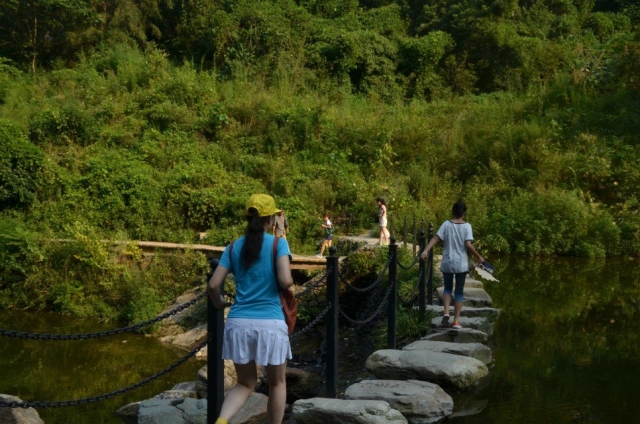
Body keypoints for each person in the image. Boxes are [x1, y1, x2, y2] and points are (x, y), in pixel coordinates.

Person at [208, 194, 294, 424]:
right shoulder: (278, 243)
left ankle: (221, 421)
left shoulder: (234, 246)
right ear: (271, 219)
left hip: (239, 323)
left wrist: (218, 303)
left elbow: (214, 284)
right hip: (270, 323)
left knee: (245, 383)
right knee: (277, 383)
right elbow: (286, 281)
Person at [420, 200, 485, 329]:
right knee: (459, 292)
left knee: (448, 288)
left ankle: (446, 312)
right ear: (464, 213)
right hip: (461, 264)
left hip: (447, 262)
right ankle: (455, 321)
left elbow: (436, 238)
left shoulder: (446, 224)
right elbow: (468, 244)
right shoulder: (467, 226)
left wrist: (426, 250)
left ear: (452, 212)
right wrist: (479, 257)